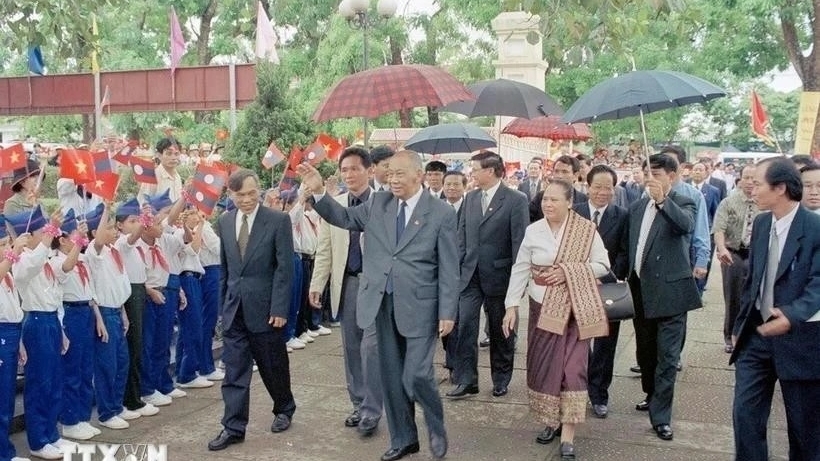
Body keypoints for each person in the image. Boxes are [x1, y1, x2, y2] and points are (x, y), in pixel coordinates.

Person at [298, 150, 458, 461]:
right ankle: (404, 439)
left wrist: (448, 312)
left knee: (417, 375)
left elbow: (450, 267)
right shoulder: (379, 203)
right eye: (390, 173)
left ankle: (435, 426)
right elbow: (343, 218)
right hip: (380, 301)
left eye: (400, 174)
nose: (393, 179)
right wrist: (319, 191)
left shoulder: (440, 213)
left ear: (419, 176)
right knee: (390, 375)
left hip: (421, 306)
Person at [502, 180, 610, 461]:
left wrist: (567, 271)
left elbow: (603, 265)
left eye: (554, 200)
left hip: (574, 312)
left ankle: (568, 437)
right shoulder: (533, 230)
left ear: (570, 202)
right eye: (545, 200)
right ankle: (551, 421)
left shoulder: (585, 231)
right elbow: (521, 268)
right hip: (541, 309)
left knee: (573, 371)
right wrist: (511, 305)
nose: (548, 205)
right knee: (546, 369)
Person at [730, 158, 820, 461]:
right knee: (745, 417)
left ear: (780, 188)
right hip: (757, 336)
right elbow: (754, 277)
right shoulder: (763, 222)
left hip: (800, 340)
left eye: (757, 182)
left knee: (804, 430)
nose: (749, 187)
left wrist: (792, 315)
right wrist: (741, 321)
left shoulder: (815, 228)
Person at [208, 169, 296, 451]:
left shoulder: (277, 221)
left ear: (258, 190)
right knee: (234, 371)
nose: (246, 200)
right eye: (239, 195)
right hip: (235, 309)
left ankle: (284, 407)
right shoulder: (224, 221)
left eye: (250, 193)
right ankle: (233, 427)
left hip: (267, 309)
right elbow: (226, 269)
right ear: (230, 195)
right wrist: (223, 307)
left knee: (273, 366)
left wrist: (280, 307)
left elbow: (285, 269)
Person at [308, 146, 384, 436]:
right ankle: (359, 403)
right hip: (348, 283)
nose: (349, 174)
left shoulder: (385, 202)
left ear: (369, 170)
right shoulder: (334, 205)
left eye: (355, 168)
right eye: (344, 169)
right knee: (352, 348)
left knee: (372, 348)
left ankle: (372, 410)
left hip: (377, 286)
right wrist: (317, 285)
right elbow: (325, 250)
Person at [627, 154, 701, 441]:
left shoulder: (683, 202)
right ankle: (651, 394)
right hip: (640, 292)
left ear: (672, 175)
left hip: (671, 294)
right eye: (647, 173)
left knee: (667, 357)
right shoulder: (636, 207)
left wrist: (662, 202)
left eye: (656, 174)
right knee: (646, 354)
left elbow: (685, 226)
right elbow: (629, 245)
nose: (650, 179)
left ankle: (661, 417)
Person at [447, 151, 528, 400]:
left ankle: (501, 379)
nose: (471, 173)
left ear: (490, 171)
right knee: (464, 327)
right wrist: (458, 267)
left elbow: (520, 243)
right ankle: (466, 380)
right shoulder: (470, 198)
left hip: (500, 276)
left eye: (475, 169)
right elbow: (461, 236)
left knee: (500, 330)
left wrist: (518, 284)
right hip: (470, 276)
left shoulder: (516, 200)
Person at [7, 206, 78, 460]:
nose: (50, 234)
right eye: (43, 230)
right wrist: (49, 234)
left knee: (55, 380)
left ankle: (52, 433)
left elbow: (64, 273)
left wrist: (76, 243)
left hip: (51, 321)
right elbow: (31, 266)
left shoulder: (46, 258)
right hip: (35, 322)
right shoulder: (23, 259)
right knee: (40, 383)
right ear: (30, 233)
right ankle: (38, 439)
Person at [573, 165, 629, 419]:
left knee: (606, 344)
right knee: (577, 340)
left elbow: (625, 252)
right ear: (588, 187)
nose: (602, 192)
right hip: (576, 285)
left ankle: (599, 394)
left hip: (607, 286)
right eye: (598, 187)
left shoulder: (622, 216)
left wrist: (605, 274)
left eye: (608, 188)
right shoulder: (575, 213)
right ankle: (574, 388)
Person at [713, 165, 760, 354]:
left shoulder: (764, 203)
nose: (750, 182)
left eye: (754, 179)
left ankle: (749, 335)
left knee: (754, 297)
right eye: (746, 178)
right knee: (733, 296)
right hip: (733, 253)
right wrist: (722, 248)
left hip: (756, 253)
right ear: (739, 180)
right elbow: (719, 229)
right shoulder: (728, 202)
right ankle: (730, 335)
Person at [0, 227, 28, 461]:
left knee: (7, 397)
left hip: (11, 332)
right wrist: (14, 253)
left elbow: (14, 311)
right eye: (1, 246)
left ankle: (5, 451)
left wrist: (19, 342)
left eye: (7, 244)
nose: (7, 249)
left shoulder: (7, 274)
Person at [529, 155, 587, 223]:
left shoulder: (583, 200)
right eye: (556, 171)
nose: (559, 176)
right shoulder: (541, 197)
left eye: (564, 172)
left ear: (575, 175)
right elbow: (527, 218)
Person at [138, 137, 184, 202]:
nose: (173, 157)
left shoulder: (177, 177)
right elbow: (142, 204)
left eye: (176, 154)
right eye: (169, 153)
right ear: (159, 155)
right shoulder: (152, 177)